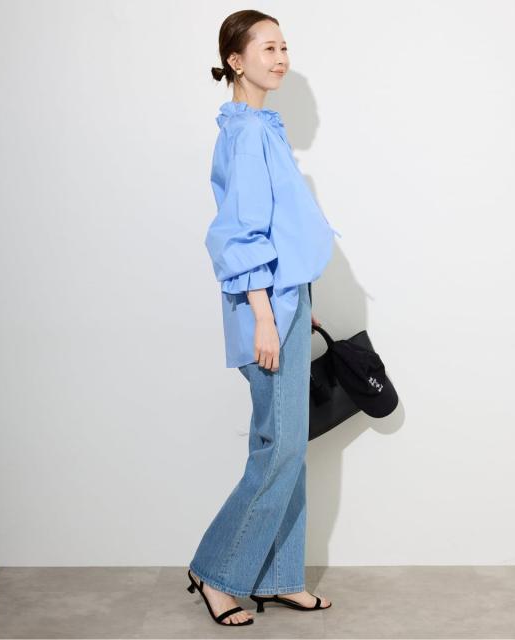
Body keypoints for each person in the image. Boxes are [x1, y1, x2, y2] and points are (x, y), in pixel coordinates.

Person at [187, 9, 338, 627]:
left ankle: (278, 577)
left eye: (284, 47)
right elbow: (239, 234)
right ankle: (216, 571)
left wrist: (300, 306)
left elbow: (282, 228)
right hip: (266, 304)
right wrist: (266, 318)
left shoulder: (258, 127)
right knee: (281, 450)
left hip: (287, 299)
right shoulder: (247, 133)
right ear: (236, 59)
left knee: (287, 447)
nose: (281, 58)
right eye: (268, 48)